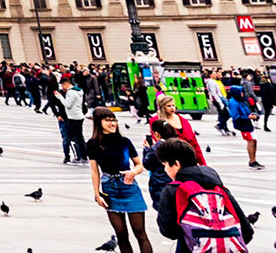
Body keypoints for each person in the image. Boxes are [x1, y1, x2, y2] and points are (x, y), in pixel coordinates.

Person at [152, 137, 250, 253]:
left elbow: (168, 231)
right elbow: (247, 231)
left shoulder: (173, 190)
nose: (165, 170)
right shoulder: (219, 188)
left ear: (176, 164)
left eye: (166, 165)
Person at [86, 108, 153, 253]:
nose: (112, 123)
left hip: (128, 187)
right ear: (99, 122)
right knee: (121, 235)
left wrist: (133, 172)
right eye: (108, 120)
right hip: (109, 187)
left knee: (140, 233)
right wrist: (97, 194)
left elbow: (139, 165)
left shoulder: (124, 141)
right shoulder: (92, 144)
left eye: (114, 120)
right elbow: (94, 170)